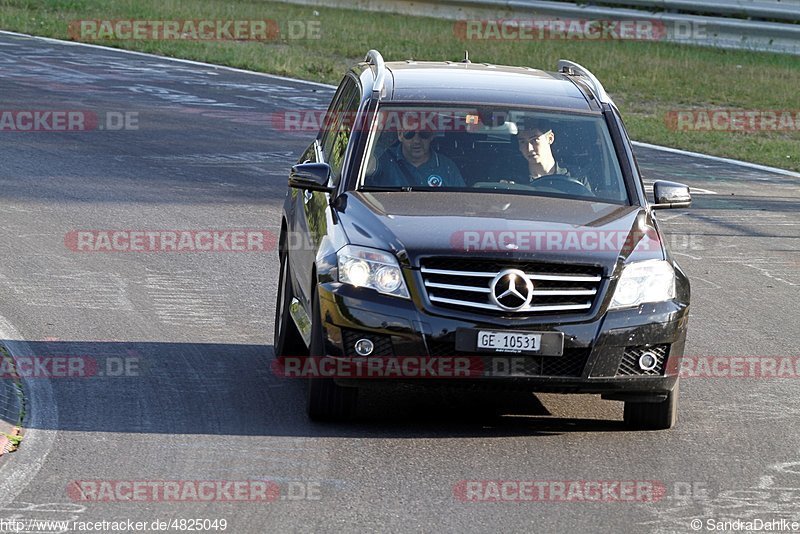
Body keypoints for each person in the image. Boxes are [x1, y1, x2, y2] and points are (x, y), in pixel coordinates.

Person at [370, 128, 465, 188]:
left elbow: (462, 202)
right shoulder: (384, 158)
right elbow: (366, 168)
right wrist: (378, 123)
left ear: (432, 135)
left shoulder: (447, 167)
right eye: (409, 134)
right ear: (400, 135)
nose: (416, 140)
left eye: (423, 134)